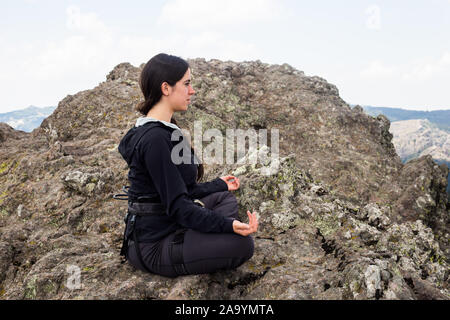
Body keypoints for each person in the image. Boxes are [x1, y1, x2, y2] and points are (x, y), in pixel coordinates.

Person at [117, 53, 258, 277]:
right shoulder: (155, 140)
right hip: (153, 246)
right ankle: (198, 236)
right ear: (166, 88)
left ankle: (199, 232)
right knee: (243, 245)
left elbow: (182, 191)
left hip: (170, 221)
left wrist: (218, 184)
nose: (192, 91)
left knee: (223, 196)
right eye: (187, 84)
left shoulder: (165, 131)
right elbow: (179, 206)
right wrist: (228, 226)